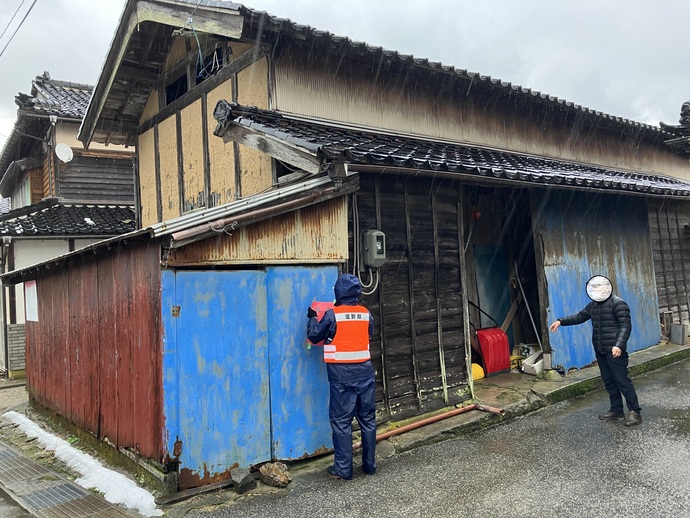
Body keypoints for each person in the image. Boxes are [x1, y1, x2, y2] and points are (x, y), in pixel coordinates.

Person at [307, 273, 377, 479]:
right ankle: (369, 466)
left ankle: (344, 470)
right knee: (368, 420)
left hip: (341, 377)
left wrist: (312, 317)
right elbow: (368, 333)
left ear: (338, 292)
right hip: (365, 373)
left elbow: (314, 335)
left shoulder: (331, 314)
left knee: (341, 422)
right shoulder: (366, 314)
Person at [549, 275, 642, 426]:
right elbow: (579, 317)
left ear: (607, 287)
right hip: (600, 349)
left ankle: (635, 412)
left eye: (601, 287)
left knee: (622, 381)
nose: (598, 290)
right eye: (595, 288)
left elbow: (626, 326)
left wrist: (619, 345)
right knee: (609, 381)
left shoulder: (618, 303)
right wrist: (560, 321)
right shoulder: (593, 305)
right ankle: (616, 410)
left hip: (615, 350)